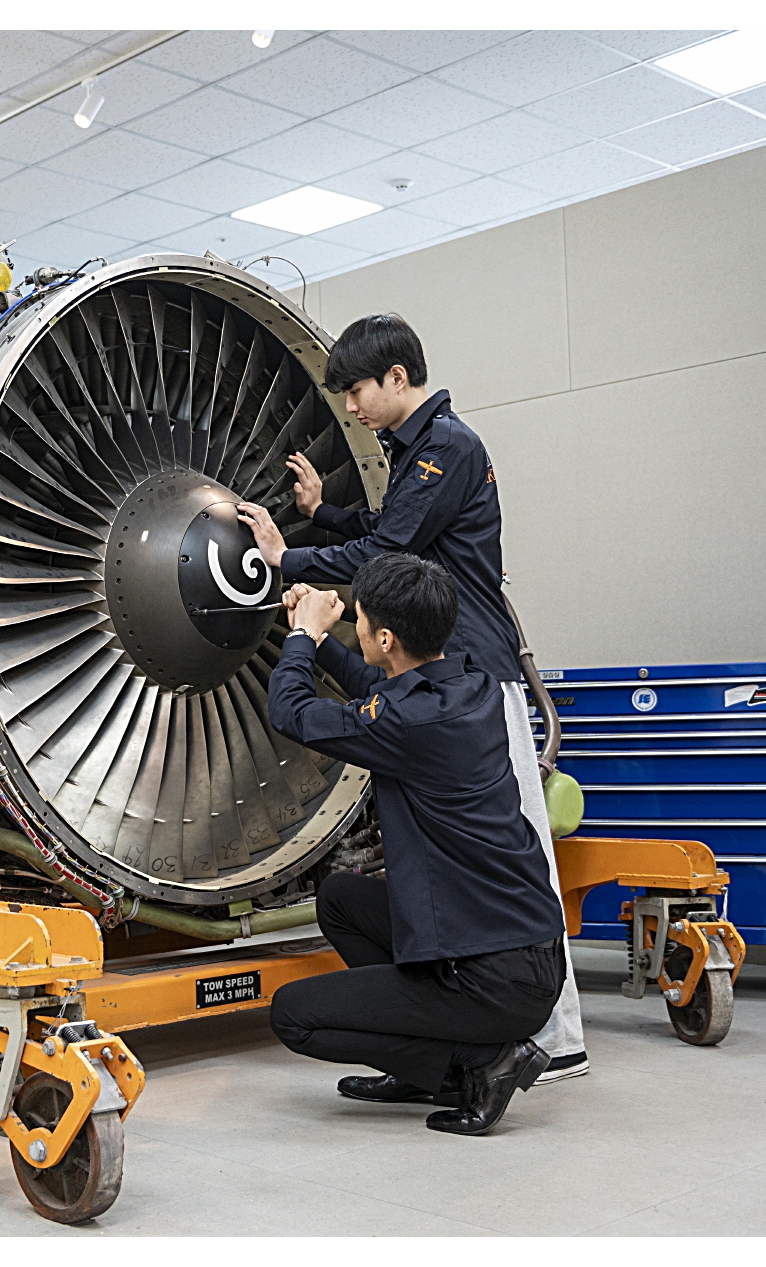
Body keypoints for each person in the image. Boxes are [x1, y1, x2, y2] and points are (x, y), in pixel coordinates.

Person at [236, 312, 587, 1085]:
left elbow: (388, 547)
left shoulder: (447, 446)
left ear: (398, 377)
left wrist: (288, 558)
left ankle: (554, 1041)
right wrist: (321, 513)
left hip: (478, 667)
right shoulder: (418, 448)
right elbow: (387, 524)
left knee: (523, 851)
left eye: (357, 390)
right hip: (445, 669)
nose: (350, 407)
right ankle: (445, 1037)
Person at [264, 555, 566, 1134]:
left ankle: (485, 1059)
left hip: (496, 979)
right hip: (518, 944)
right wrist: (321, 640)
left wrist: (300, 636)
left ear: (385, 638)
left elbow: (292, 712)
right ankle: (422, 1064)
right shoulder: (471, 685)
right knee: (341, 900)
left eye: (358, 619)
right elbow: (383, 689)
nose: (352, 623)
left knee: (293, 1016)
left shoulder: (410, 723)